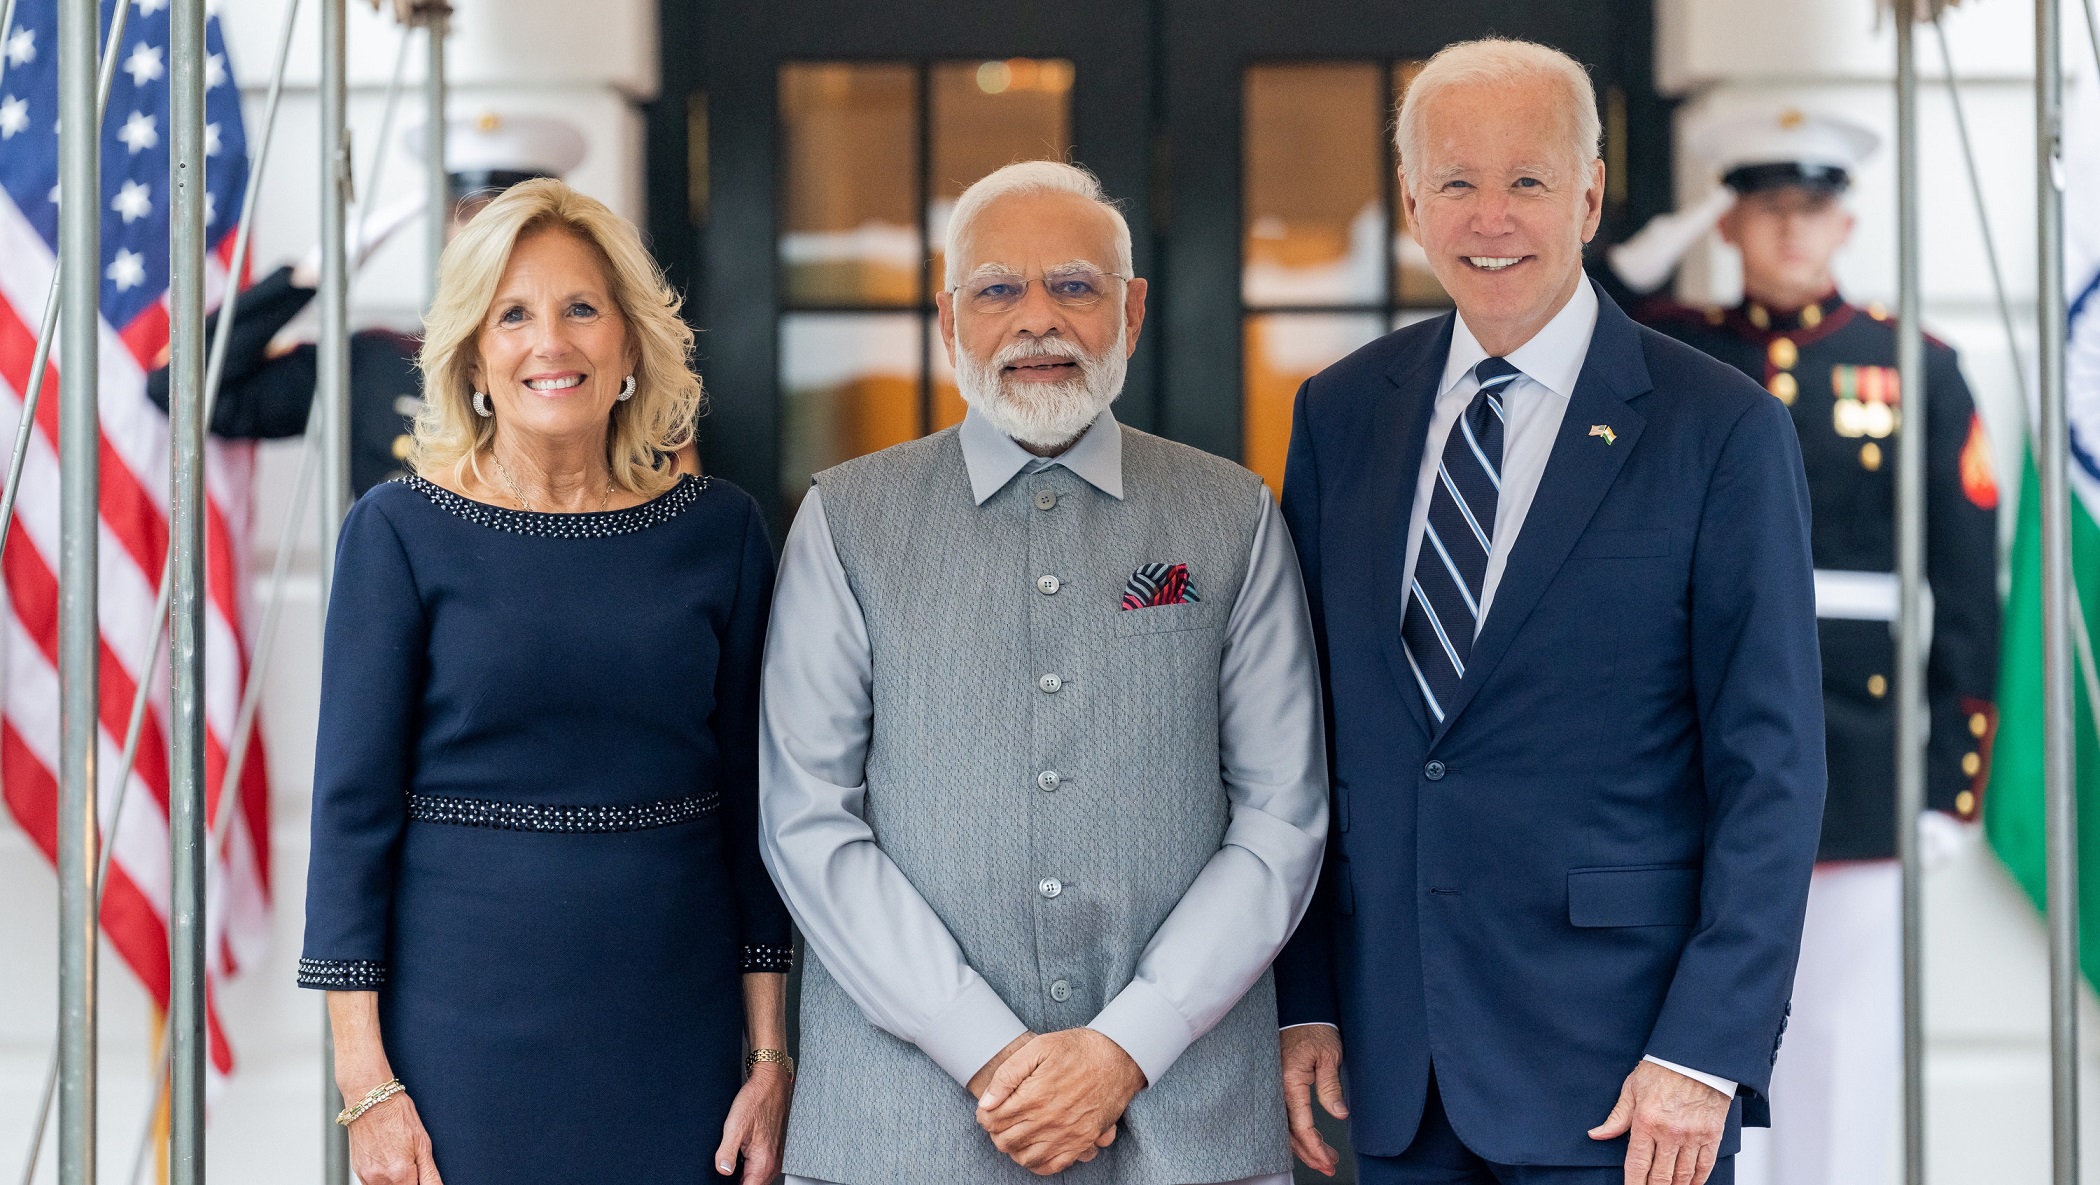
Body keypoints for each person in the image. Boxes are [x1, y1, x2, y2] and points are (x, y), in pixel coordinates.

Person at [1273, 39, 1827, 1185]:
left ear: (1588, 193)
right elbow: (1306, 737)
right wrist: (1305, 1002)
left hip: (1624, 1082)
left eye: (1527, 181)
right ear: (1414, 201)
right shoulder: (1339, 415)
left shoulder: (1718, 428)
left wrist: (1705, 1050)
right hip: (1388, 1070)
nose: (1492, 218)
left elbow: (1772, 766)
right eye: (1458, 182)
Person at [758, 159, 1327, 1185]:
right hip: (902, 1127)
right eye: (997, 290)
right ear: (948, 318)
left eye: (1073, 286)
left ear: (1132, 310)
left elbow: (1283, 816)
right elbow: (809, 819)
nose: (1037, 321)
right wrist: (987, 1049)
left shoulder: (1233, 514)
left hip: (1184, 1117)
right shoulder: (844, 520)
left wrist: (1125, 1048)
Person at [298, 178, 793, 1184]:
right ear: (475, 352)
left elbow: (757, 812)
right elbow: (349, 821)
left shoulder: (721, 532)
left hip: (678, 1030)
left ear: (630, 339)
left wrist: (771, 1056)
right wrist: (366, 1085)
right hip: (459, 1042)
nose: (550, 342)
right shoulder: (397, 534)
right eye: (512, 314)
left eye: (581, 308)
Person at [1606, 107, 2001, 1185]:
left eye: (1812, 210)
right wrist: (1647, 249)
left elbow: (1967, 588)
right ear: (1728, 223)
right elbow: (1571, 318)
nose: (1792, 231)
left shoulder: (1912, 363)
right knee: (1682, 1031)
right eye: (1766, 208)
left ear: (1847, 223)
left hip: (1858, 746)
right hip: (1690, 738)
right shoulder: (1673, 345)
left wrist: (1951, 783)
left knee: (1836, 1042)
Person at [145, 111, 589, 494]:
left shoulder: (591, 360)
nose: (491, 245)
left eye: (514, 221)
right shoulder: (373, 362)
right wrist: (306, 278)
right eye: (468, 217)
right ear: (445, 232)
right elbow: (179, 388)